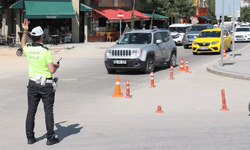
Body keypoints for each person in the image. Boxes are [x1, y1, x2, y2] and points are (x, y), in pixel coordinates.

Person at [21, 19, 60, 146]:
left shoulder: (28, 49)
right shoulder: (46, 51)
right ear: (42, 37)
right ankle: (50, 138)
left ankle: (30, 138)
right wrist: (56, 66)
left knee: (31, 111)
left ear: (33, 37)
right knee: (48, 111)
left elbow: (22, 45)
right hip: (46, 85)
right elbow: (51, 70)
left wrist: (25, 31)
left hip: (32, 84)